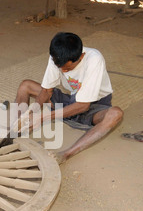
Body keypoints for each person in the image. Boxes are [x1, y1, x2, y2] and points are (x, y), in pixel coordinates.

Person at [14, 32, 123, 164]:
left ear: (81, 57)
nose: (65, 71)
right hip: (70, 101)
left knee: (115, 114)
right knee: (25, 85)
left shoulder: (94, 59)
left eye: (68, 68)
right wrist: (32, 112)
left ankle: (65, 155)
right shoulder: (57, 57)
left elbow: (83, 105)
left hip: (94, 107)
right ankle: (17, 129)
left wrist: (42, 117)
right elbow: (47, 90)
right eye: (62, 68)